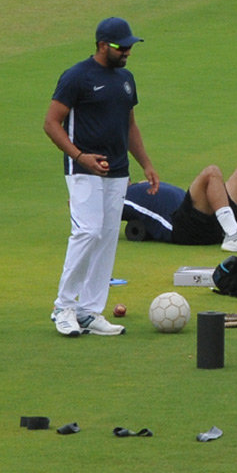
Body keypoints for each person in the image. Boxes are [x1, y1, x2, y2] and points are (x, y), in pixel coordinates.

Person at [44, 17, 159, 337]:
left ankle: (90, 311)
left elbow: (130, 125)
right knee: (88, 232)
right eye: (122, 47)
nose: (127, 52)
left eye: (130, 46)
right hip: (82, 169)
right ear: (102, 45)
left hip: (118, 172)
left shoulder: (126, 79)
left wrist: (146, 163)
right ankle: (63, 306)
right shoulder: (76, 77)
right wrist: (80, 156)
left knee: (107, 239)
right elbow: (51, 123)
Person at [123, 161, 237, 252]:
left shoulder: (138, 186)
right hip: (185, 228)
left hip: (211, 218)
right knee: (211, 172)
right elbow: (101, 215)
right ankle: (233, 236)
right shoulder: (119, 198)